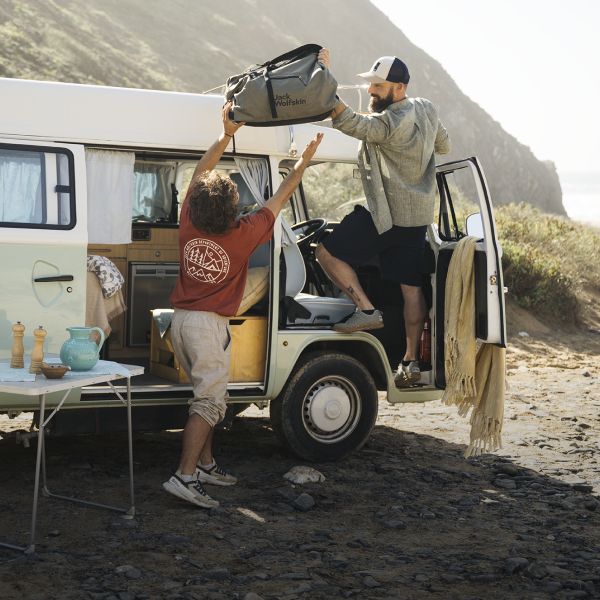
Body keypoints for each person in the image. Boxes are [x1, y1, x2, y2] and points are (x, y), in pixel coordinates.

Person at [163, 103, 323, 508]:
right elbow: (280, 197)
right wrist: (302, 163)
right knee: (211, 401)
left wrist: (226, 133)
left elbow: (201, 171)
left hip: (180, 321)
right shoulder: (244, 233)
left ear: (197, 204)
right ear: (232, 209)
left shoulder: (188, 222)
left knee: (205, 395)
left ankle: (205, 464)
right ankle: (183, 477)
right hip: (208, 326)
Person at [315, 49, 450, 387]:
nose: (372, 91)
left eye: (378, 85)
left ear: (399, 88)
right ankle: (410, 360)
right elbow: (444, 145)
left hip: (384, 213)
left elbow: (349, 122)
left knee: (325, 253)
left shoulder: (390, 123)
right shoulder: (427, 108)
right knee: (411, 289)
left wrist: (323, 77)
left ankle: (365, 309)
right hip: (416, 217)